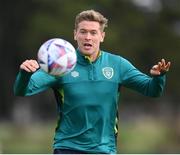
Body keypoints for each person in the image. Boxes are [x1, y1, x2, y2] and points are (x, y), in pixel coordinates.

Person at [14, 10, 171, 154]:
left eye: (93, 32)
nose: (88, 37)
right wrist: (24, 73)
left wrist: (159, 77)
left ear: (102, 36)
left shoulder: (118, 64)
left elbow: (152, 91)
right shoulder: (60, 64)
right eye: (83, 32)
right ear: (75, 34)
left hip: (104, 149)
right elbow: (22, 90)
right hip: (68, 147)